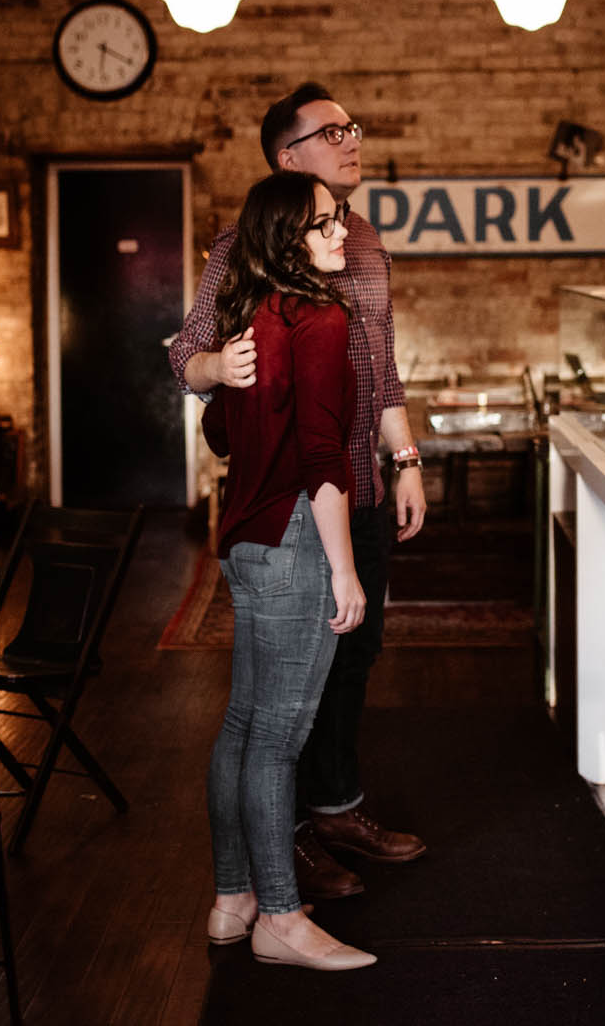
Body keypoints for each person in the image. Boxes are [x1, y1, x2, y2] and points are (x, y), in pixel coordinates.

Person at [169, 81, 429, 904]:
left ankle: (335, 807)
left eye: (355, 125)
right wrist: (218, 368)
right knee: (283, 694)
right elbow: (187, 354)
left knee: (353, 659)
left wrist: (408, 459)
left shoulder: (367, 244)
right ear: (289, 158)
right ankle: (282, 849)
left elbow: (382, 369)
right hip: (292, 498)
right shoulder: (236, 247)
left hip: (359, 486)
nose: (353, 139)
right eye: (332, 131)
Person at [201, 170, 374, 971]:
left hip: (245, 535)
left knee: (242, 723)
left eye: (338, 220)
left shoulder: (251, 314)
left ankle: (233, 898)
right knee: (276, 738)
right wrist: (344, 569)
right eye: (324, 224)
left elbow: (218, 431)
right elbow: (322, 456)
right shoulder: (318, 315)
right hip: (295, 536)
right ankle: (279, 915)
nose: (341, 232)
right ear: (284, 238)